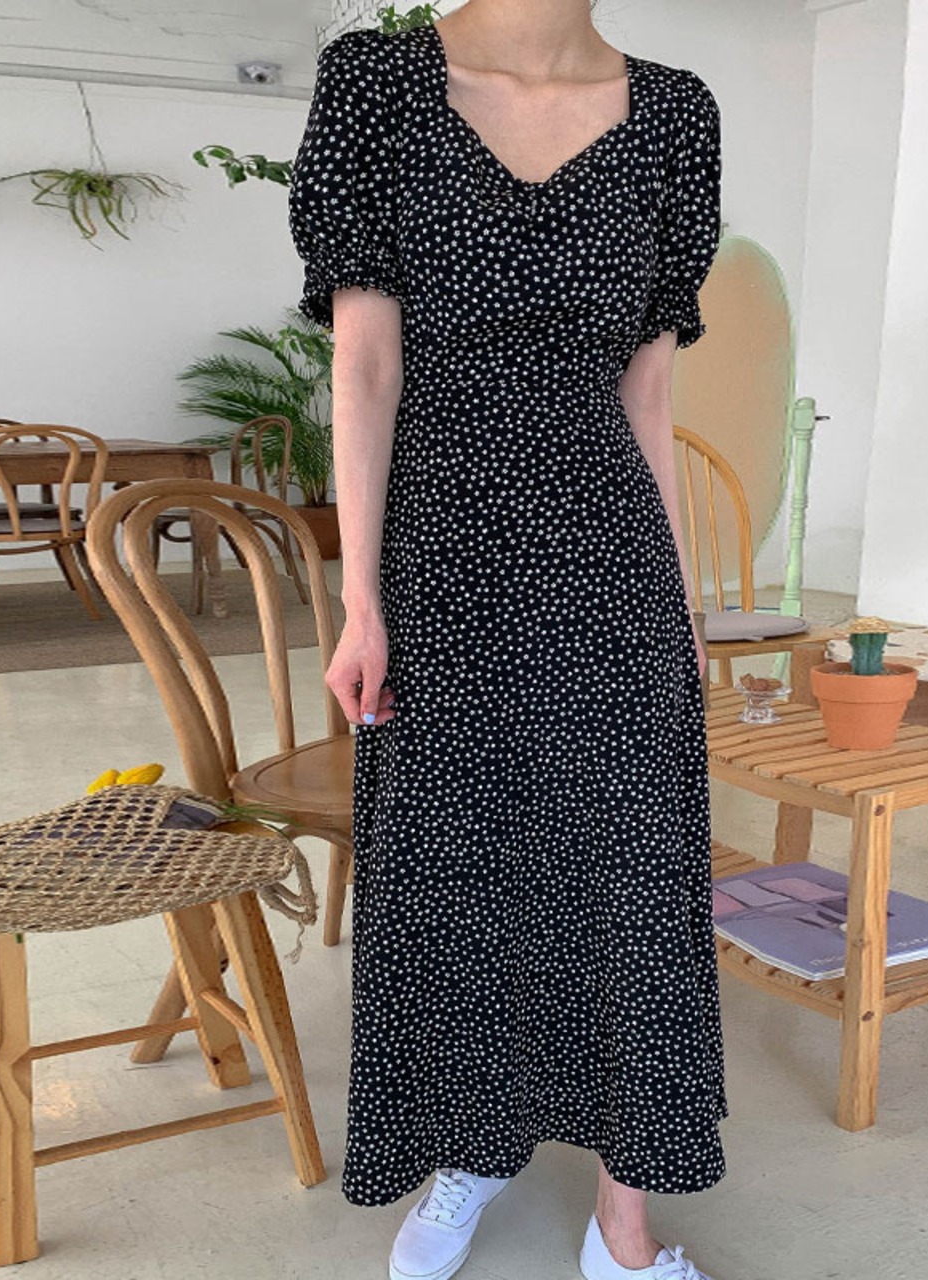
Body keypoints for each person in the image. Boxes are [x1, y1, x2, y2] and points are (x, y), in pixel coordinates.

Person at [288, 2, 727, 1277]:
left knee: (632, 876)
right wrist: (361, 601)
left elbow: (646, 390)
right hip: (440, 554)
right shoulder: (375, 83)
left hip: (608, 554)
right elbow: (365, 370)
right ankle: (470, 1144)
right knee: (458, 870)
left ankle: (622, 1221)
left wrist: (679, 603)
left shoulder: (674, 114)